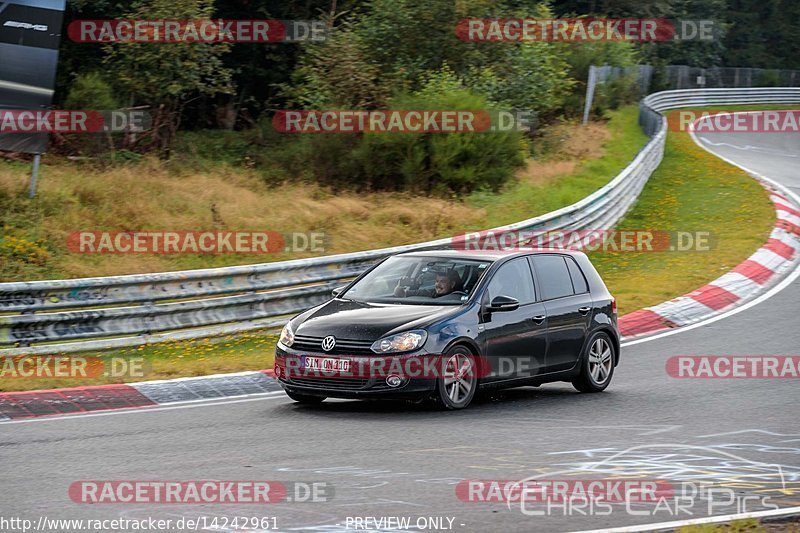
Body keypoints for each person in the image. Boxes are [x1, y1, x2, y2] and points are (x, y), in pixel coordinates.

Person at [394, 269, 462, 298]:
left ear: (452, 284)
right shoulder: (430, 293)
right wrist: (400, 285)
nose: (438, 285)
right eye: (437, 281)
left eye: (442, 282)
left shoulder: (461, 298)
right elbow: (401, 294)